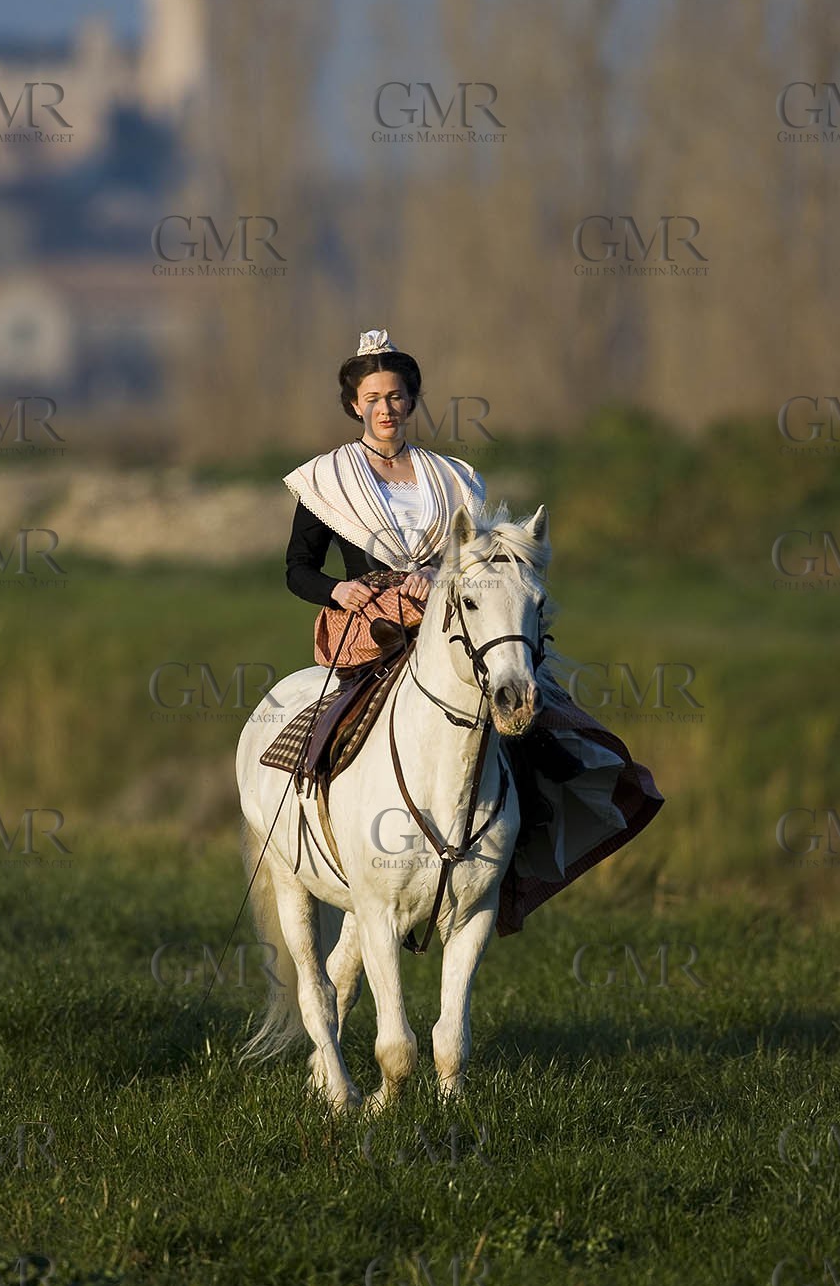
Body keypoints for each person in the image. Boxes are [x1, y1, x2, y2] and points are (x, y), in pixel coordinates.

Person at [282, 328, 664, 936]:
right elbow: (297, 569)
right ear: (355, 405)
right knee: (339, 719)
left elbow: (479, 558)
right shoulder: (327, 480)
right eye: (374, 397)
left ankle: (517, 845)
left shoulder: (453, 478)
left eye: (397, 396)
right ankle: (308, 800)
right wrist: (342, 589)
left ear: (411, 401)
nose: (386, 408)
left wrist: (438, 578)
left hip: (454, 615)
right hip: (371, 626)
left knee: (533, 714)